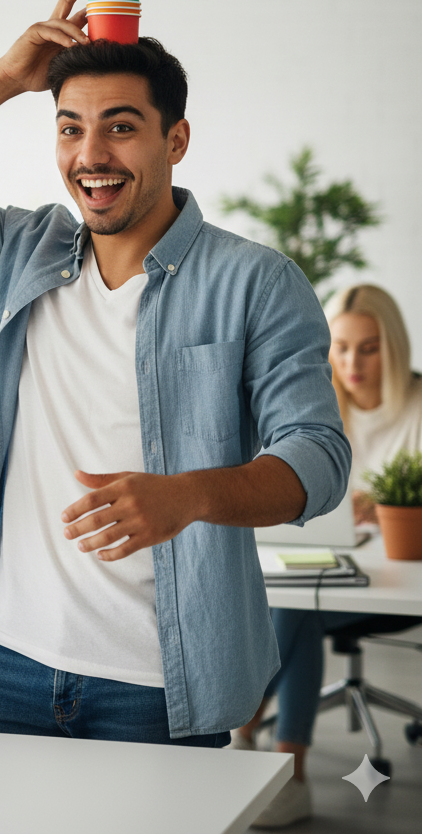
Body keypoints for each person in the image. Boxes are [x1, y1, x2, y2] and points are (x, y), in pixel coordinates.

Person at [0, 0, 350, 748]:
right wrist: (7, 77)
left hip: (161, 679)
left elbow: (318, 460)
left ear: (175, 140)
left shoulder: (253, 281)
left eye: (120, 128)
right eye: (68, 128)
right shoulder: (24, 251)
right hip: (10, 659)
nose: (91, 156)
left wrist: (188, 497)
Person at [234, 283, 422, 828]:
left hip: (396, 583)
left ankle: (250, 734)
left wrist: (386, 506)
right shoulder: (318, 408)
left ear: (395, 346)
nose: (351, 362)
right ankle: (281, 768)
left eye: (369, 347)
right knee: (295, 601)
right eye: (340, 347)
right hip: (329, 567)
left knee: (294, 609)